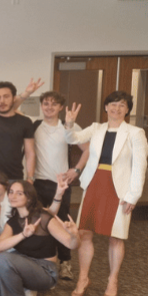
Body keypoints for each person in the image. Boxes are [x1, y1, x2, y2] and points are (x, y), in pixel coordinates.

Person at [64, 91, 148, 296]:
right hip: (94, 184)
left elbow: (140, 166)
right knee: (84, 233)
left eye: (122, 105)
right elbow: (73, 138)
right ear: (106, 107)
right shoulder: (96, 128)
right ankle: (83, 278)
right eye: (112, 104)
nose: (116, 108)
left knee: (116, 236)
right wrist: (70, 123)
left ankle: (113, 280)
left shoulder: (135, 133)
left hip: (119, 188)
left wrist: (133, 195)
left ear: (127, 109)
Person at [0, 181, 80, 296]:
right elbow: (0, 245)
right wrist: (23, 235)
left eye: (19, 193)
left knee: (4, 258)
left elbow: (71, 244)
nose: (13, 196)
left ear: (29, 197)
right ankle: (21, 291)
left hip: (45, 270)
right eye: (11, 192)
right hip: (21, 263)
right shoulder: (12, 222)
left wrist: (74, 235)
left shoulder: (44, 217)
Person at [32, 90, 90, 281]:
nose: (49, 107)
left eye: (53, 104)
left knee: (64, 222)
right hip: (39, 183)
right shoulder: (34, 127)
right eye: (45, 104)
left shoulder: (68, 126)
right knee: (42, 222)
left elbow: (88, 150)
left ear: (60, 108)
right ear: (42, 106)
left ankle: (65, 262)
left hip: (61, 184)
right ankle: (45, 260)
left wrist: (77, 170)